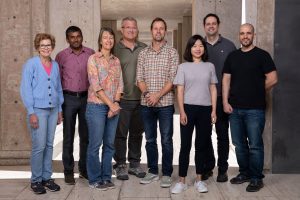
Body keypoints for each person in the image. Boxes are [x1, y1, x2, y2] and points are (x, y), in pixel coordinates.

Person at [222, 23, 278, 192]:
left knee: (255, 145)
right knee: (239, 144)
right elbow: (226, 80)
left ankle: (256, 178)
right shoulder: (232, 56)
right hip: (235, 109)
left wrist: (257, 90)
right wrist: (225, 102)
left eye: (248, 33)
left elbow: (273, 78)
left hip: (255, 109)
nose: (245, 36)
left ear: (254, 35)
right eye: (242, 33)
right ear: (239, 36)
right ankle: (244, 173)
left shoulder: (262, 55)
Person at [171, 35, 217, 194]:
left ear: (204, 48)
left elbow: (213, 88)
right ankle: (181, 181)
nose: (198, 48)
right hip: (188, 109)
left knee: (201, 146)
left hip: (205, 109)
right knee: (185, 146)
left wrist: (214, 110)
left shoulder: (210, 66)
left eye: (201, 45)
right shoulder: (183, 67)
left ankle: (199, 180)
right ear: (189, 49)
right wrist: (182, 111)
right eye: (194, 46)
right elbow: (180, 90)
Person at [136, 17, 179, 188]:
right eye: (155, 28)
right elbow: (139, 78)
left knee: (167, 140)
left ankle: (167, 173)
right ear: (152, 30)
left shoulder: (172, 53)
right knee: (150, 139)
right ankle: (153, 171)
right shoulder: (143, 53)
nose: (158, 31)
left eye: (162, 28)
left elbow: (172, 79)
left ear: (165, 31)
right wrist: (148, 94)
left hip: (166, 104)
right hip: (146, 104)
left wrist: (157, 95)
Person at [20, 33, 63, 194]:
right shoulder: (31, 64)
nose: (46, 48)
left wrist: (59, 110)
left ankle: (47, 177)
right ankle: (36, 180)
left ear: (52, 46)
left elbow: (58, 88)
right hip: (37, 110)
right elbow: (25, 89)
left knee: (50, 145)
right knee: (39, 146)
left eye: (48, 45)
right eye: (43, 45)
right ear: (38, 47)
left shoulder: (56, 65)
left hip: (53, 110)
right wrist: (31, 112)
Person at [55, 26, 95, 184]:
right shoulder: (61, 56)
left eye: (78, 36)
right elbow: (57, 81)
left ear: (82, 37)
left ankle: (84, 170)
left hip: (87, 98)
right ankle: (68, 171)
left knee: (86, 137)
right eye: (72, 37)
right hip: (68, 99)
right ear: (67, 39)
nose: (76, 39)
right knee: (68, 136)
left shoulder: (91, 53)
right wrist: (59, 106)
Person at [86, 27, 123, 191]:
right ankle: (94, 178)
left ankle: (106, 177)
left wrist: (115, 103)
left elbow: (120, 84)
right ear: (100, 41)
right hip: (96, 107)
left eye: (111, 38)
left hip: (113, 107)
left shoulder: (116, 60)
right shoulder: (93, 59)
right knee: (95, 144)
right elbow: (96, 86)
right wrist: (111, 105)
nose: (108, 40)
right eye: (105, 37)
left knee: (109, 144)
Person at [202, 13, 236, 182]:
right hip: (203, 100)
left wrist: (229, 98)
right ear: (204, 26)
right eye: (208, 24)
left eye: (214, 23)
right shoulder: (199, 45)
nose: (211, 26)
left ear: (218, 25)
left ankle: (222, 169)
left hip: (223, 98)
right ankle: (208, 167)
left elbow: (235, 73)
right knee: (204, 134)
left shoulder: (230, 46)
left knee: (222, 135)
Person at [113, 17, 147, 180]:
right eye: (128, 28)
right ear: (122, 29)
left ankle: (134, 164)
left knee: (137, 133)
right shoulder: (115, 49)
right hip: (122, 99)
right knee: (120, 134)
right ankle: (120, 164)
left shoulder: (144, 48)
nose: (131, 30)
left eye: (134, 27)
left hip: (141, 99)